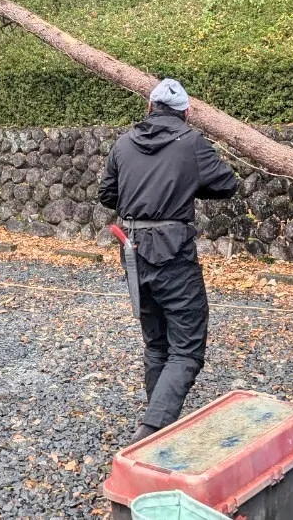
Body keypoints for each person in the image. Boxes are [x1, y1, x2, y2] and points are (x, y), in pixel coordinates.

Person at [99, 78, 239, 443]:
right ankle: (152, 429)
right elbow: (227, 184)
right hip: (172, 251)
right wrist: (185, 183)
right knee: (187, 349)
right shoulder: (191, 142)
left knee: (156, 343)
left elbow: (107, 194)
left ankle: (155, 415)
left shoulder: (123, 143)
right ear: (186, 113)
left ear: (149, 108)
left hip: (131, 250)